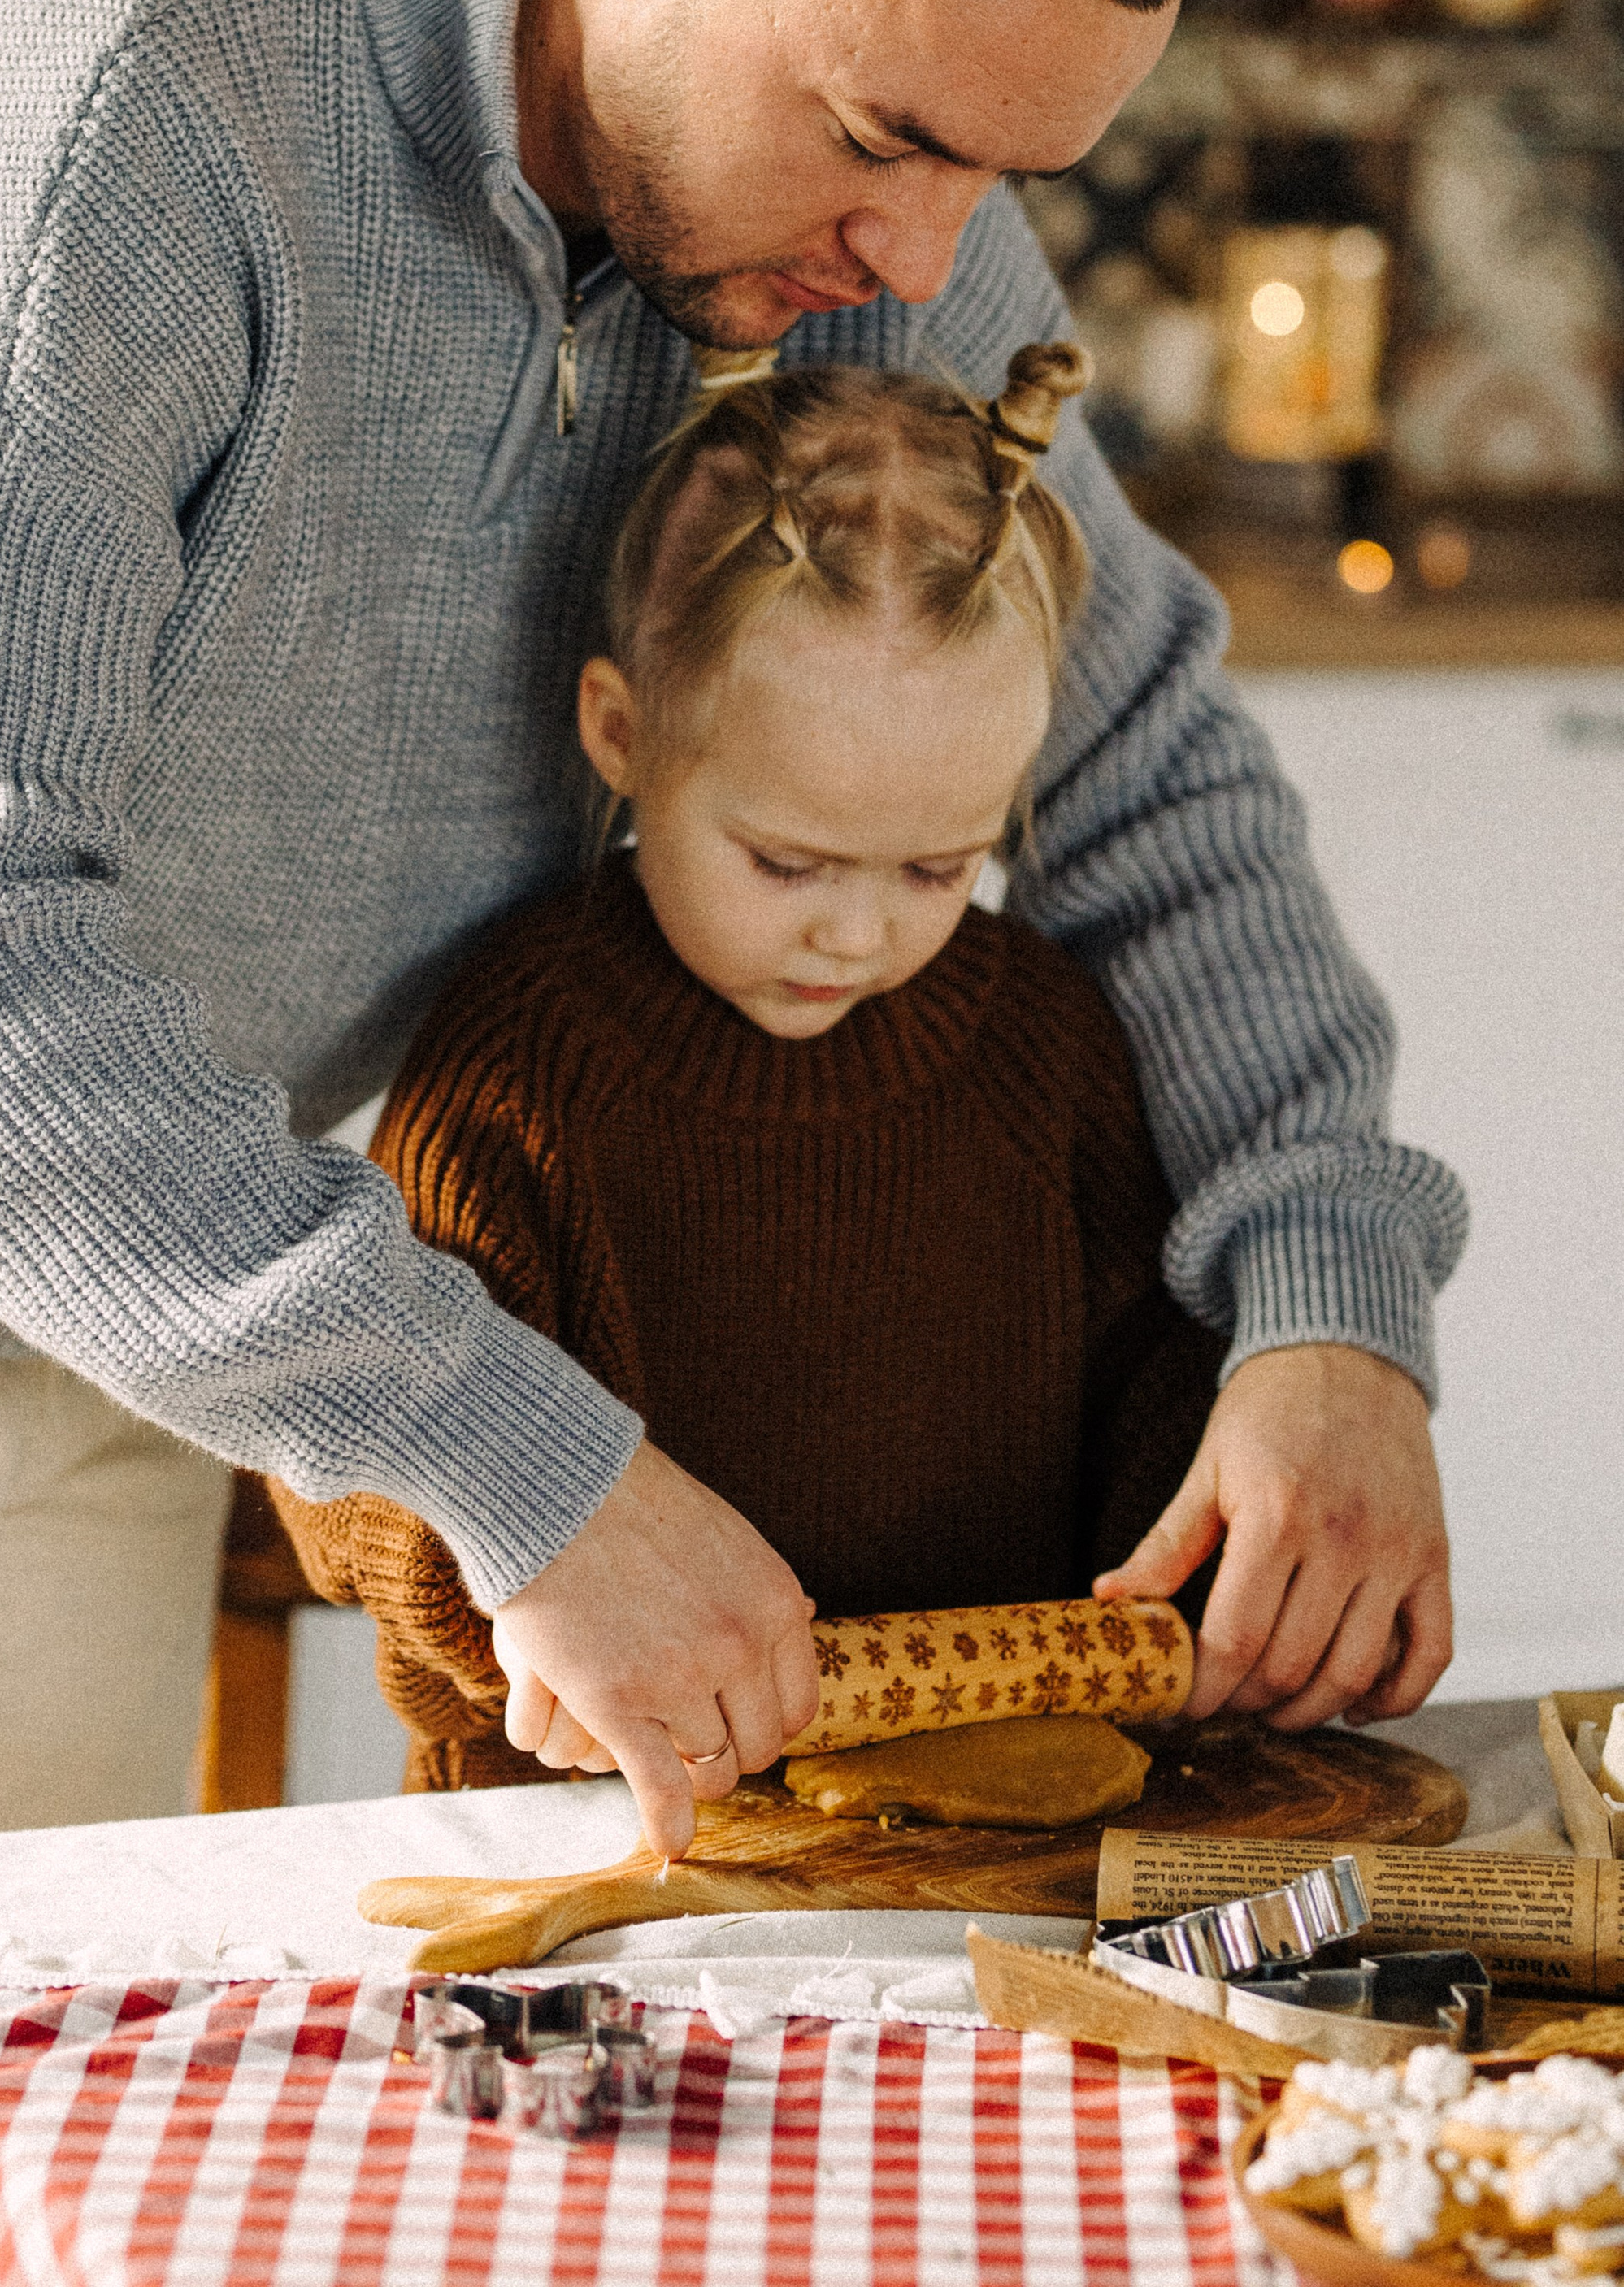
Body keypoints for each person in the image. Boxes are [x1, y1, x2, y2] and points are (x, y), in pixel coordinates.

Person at [0, 0, 1461, 2285]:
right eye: (899, 142)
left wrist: (1329, 1310)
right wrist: (519, 1456)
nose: (928, 275)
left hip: (141, 1242)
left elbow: (1141, 758)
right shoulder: (106, 106)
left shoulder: (863, 202)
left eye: (1014, 176)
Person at [275, 340, 1233, 1791]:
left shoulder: (1044, 1043)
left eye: (938, 865)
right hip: (592, 1815)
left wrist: (1222, 1551)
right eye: (785, 860)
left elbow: (1153, 1388)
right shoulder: (524, 1053)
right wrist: (492, 1571)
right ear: (624, 732)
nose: (856, 931)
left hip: (990, 1817)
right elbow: (341, 1461)